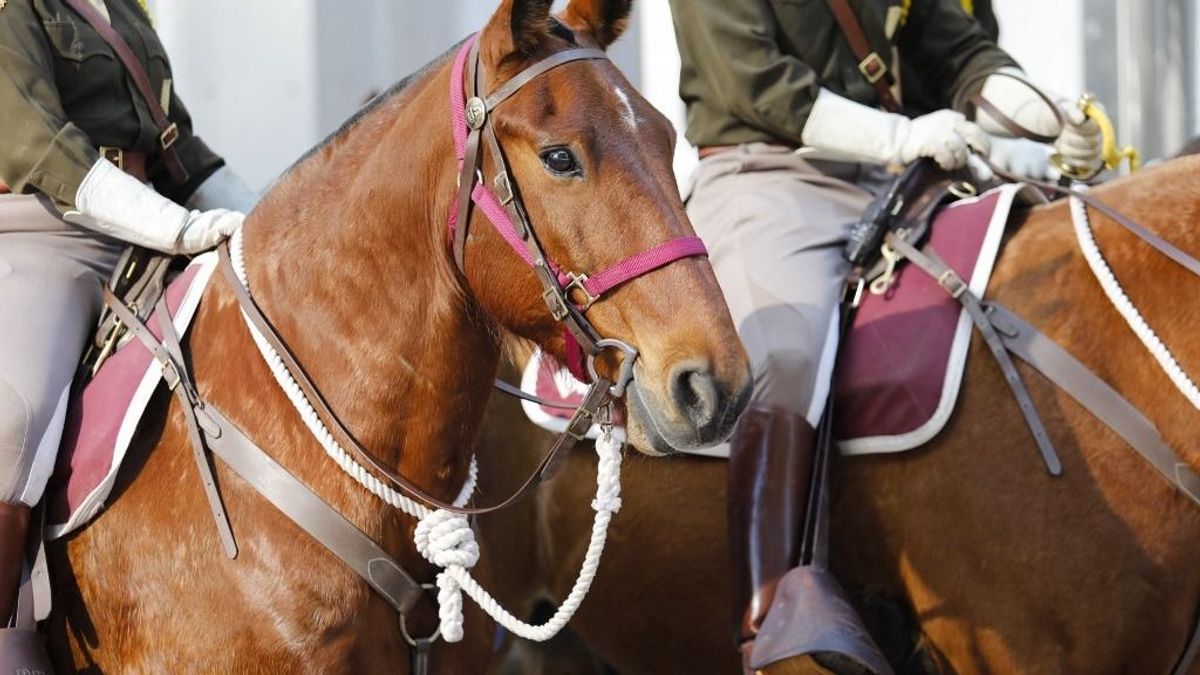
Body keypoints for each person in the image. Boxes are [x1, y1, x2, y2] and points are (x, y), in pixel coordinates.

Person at [666, 0, 1103, 672]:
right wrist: (897, 136)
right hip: (769, 173)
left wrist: (1052, 116)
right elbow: (754, 82)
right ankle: (770, 625)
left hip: (898, 180)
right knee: (787, 355)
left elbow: (955, 48)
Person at [0, 0, 254, 666]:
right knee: (10, 427)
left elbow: (178, 148)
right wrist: (177, 228)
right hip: (45, 231)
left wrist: (275, 228)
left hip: (147, 230)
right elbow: (34, 143)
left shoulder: (124, 10)